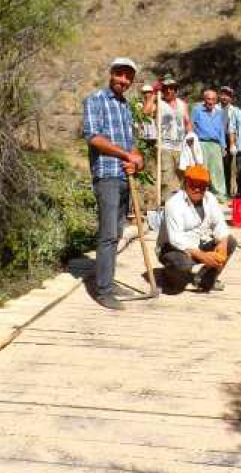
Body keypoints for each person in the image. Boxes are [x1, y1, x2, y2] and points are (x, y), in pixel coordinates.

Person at [82, 57, 144, 310]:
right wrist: (126, 155)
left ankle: (107, 280)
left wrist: (136, 160)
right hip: (107, 175)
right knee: (108, 234)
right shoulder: (95, 100)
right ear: (111, 74)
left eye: (129, 77)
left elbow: (132, 143)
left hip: (124, 176)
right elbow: (93, 138)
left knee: (117, 233)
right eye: (120, 75)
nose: (124, 81)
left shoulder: (125, 107)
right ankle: (104, 290)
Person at [157, 165, 237, 294]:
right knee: (180, 277)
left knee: (230, 241)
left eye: (202, 185)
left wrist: (222, 243)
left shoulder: (210, 198)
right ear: (185, 183)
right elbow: (175, 239)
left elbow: (219, 224)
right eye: (193, 184)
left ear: (207, 186)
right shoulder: (174, 204)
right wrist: (202, 256)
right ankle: (169, 274)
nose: (197, 189)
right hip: (172, 248)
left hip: (198, 243)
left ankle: (205, 280)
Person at [158, 77, 192, 201]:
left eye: (171, 88)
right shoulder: (159, 102)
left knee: (184, 176)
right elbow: (146, 111)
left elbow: (187, 122)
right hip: (164, 146)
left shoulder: (182, 104)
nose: (168, 91)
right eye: (165, 88)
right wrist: (153, 94)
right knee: (166, 177)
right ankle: (166, 204)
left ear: (175, 90)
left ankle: (184, 202)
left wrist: (190, 136)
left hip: (181, 146)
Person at [191, 89, 228, 201]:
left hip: (216, 144)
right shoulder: (197, 110)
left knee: (217, 170)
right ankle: (201, 194)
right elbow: (191, 126)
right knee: (202, 169)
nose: (210, 102)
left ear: (216, 100)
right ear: (204, 99)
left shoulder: (219, 112)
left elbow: (221, 130)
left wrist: (223, 146)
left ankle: (220, 195)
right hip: (201, 143)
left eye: (213, 99)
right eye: (208, 99)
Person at [219, 86, 238, 197]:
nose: (225, 97)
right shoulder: (215, 108)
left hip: (229, 139)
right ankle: (216, 190)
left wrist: (233, 144)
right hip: (216, 140)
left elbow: (235, 128)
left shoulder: (235, 110)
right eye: (223, 94)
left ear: (231, 97)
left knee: (227, 166)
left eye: (228, 95)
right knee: (216, 166)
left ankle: (226, 190)